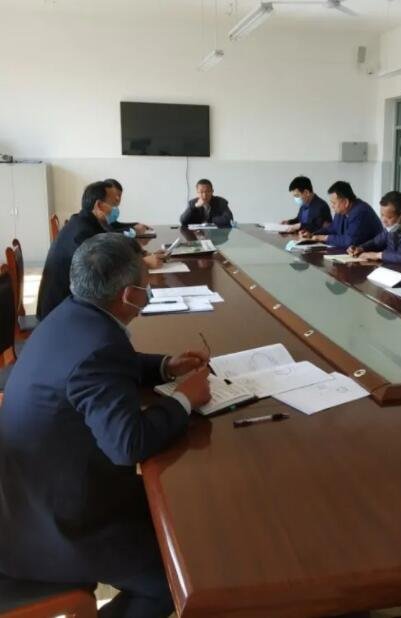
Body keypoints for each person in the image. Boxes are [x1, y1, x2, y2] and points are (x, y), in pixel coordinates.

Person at [0, 233, 211, 618]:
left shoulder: (70, 314)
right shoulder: (99, 346)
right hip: (53, 525)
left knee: (179, 516)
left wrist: (166, 366)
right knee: (173, 579)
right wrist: (184, 400)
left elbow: (106, 366)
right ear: (129, 296)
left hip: (26, 494)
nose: (148, 294)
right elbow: (128, 445)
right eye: (146, 287)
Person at [36, 181, 163, 320]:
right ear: (99, 206)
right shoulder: (82, 233)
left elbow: (115, 245)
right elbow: (105, 269)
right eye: (113, 205)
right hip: (59, 313)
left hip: (73, 303)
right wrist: (144, 263)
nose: (116, 209)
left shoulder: (87, 221)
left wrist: (142, 255)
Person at [300, 181, 382, 249]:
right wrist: (312, 235)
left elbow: (350, 241)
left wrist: (324, 238)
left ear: (346, 202)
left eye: (334, 203)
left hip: (372, 256)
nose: (332, 206)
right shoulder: (341, 211)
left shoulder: (360, 212)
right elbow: (332, 228)